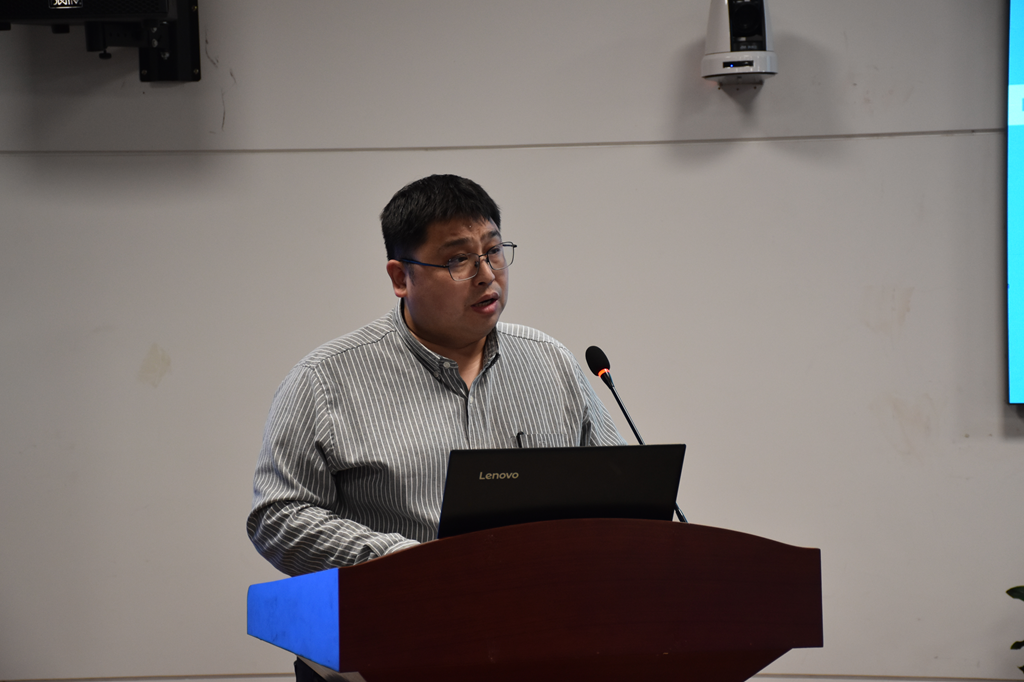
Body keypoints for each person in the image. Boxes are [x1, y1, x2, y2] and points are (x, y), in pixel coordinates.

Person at [246, 174, 625, 679]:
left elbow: (621, 493)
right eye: (458, 260)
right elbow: (278, 516)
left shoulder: (550, 362)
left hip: (541, 643)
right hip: (392, 647)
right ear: (401, 277)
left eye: (494, 251)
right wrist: (399, 560)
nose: (486, 275)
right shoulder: (325, 380)